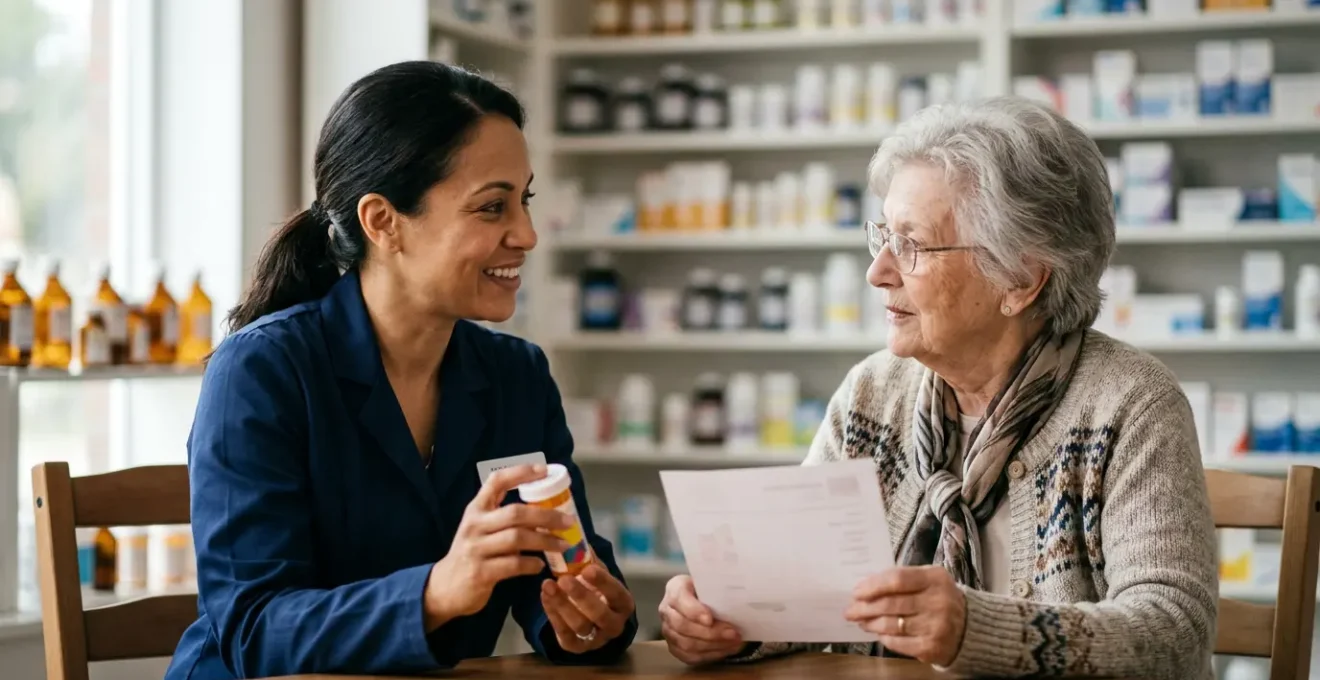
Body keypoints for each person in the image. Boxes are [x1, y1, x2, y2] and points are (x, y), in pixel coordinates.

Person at [658, 97, 1218, 679]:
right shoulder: (871, 396)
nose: (878, 271)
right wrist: (726, 622)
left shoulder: (1131, 403)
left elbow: (1173, 632)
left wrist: (978, 631)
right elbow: (802, 596)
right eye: (882, 237)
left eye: (913, 245)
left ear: (1021, 279)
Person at [165, 61, 637, 680]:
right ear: (383, 221)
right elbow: (254, 630)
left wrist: (587, 621)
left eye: (523, 201)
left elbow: (561, 576)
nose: (526, 234)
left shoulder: (516, 376)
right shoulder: (263, 371)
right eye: (492, 207)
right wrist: (437, 592)